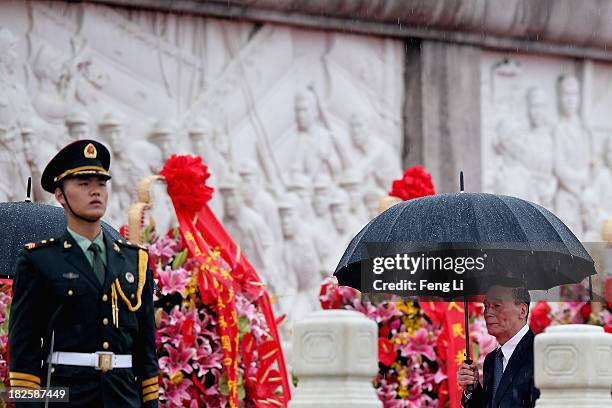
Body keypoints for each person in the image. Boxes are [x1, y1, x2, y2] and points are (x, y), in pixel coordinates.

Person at [8, 139, 159, 407]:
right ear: (60, 195)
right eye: (83, 184)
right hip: (65, 397)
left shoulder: (135, 261)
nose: (95, 192)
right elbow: (24, 358)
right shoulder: (39, 261)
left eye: (101, 184)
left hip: (123, 398)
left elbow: (146, 356)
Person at [458, 284, 539, 408]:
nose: (488, 313)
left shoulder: (539, 354)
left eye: (497, 306)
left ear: (523, 310)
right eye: (486, 306)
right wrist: (472, 388)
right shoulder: (491, 360)